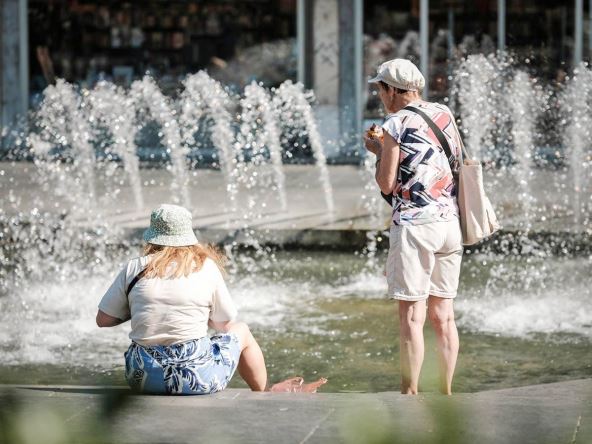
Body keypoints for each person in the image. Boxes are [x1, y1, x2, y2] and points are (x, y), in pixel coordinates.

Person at [97, 204, 326, 394]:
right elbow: (224, 325)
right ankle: (265, 392)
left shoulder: (135, 268)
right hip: (196, 379)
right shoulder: (204, 267)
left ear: (153, 237)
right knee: (242, 330)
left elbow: (103, 320)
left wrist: (137, 308)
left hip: (143, 379)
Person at [364, 59, 464, 395]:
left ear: (392, 89)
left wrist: (378, 150)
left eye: (380, 89)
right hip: (449, 224)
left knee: (411, 318)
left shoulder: (394, 122)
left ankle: (410, 394)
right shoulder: (443, 113)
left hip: (416, 226)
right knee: (444, 316)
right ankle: (447, 392)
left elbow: (387, 183)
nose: (380, 95)